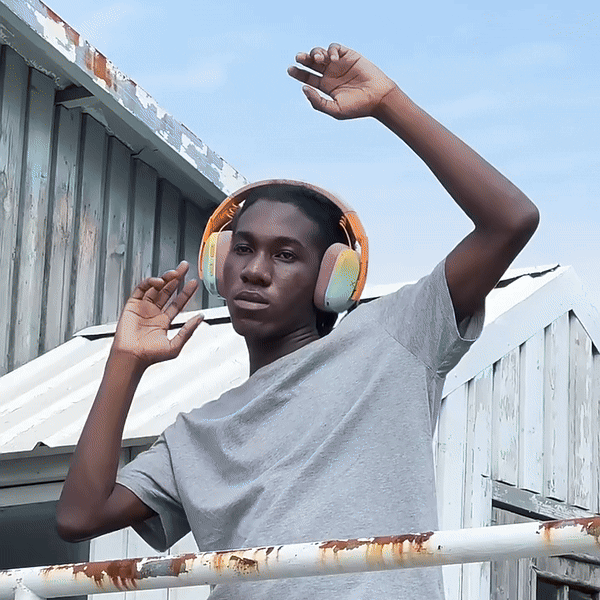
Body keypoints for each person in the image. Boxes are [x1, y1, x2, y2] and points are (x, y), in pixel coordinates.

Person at [57, 44, 539, 599]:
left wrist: (388, 104)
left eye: (285, 255)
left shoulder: (394, 339)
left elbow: (510, 221)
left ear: (332, 277)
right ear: (218, 264)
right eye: (243, 248)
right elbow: (79, 516)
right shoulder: (197, 434)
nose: (255, 271)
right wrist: (125, 360)